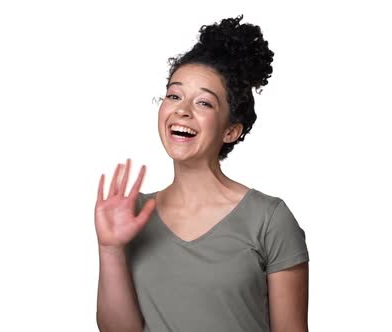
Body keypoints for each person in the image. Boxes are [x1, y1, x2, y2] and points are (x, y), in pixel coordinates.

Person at [95, 15, 309, 332]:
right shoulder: (132, 213)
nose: (182, 110)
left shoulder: (269, 219)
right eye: (174, 95)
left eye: (204, 103)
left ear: (231, 131)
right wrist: (110, 248)